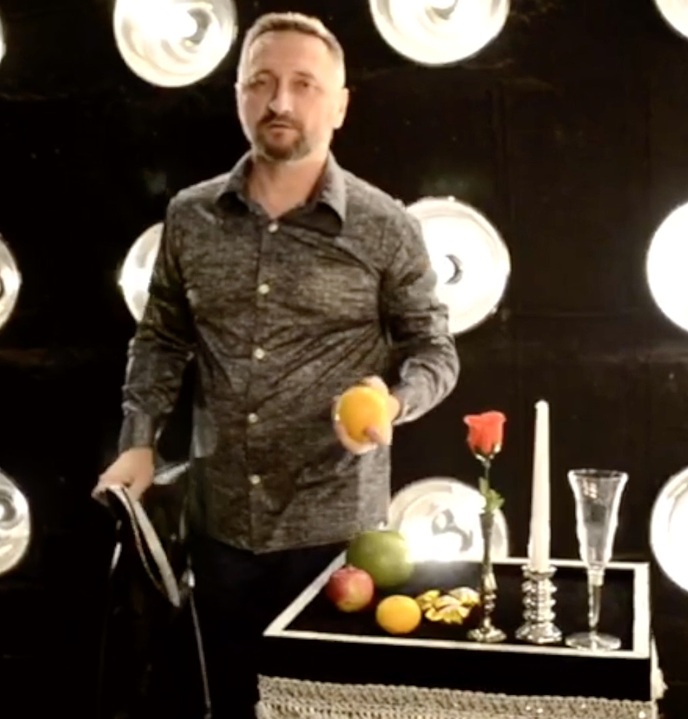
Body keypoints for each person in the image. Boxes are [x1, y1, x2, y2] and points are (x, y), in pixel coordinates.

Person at [93, 11, 460, 718]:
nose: (280, 102)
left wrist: (392, 401)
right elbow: (161, 338)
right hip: (220, 526)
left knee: (326, 710)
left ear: (341, 104)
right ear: (238, 95)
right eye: (260, 83)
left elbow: (434, 350)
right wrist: (139, 441)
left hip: (335, 538)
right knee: (228, 706)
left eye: (303, 84)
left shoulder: (385, 226)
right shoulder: (191, 216)